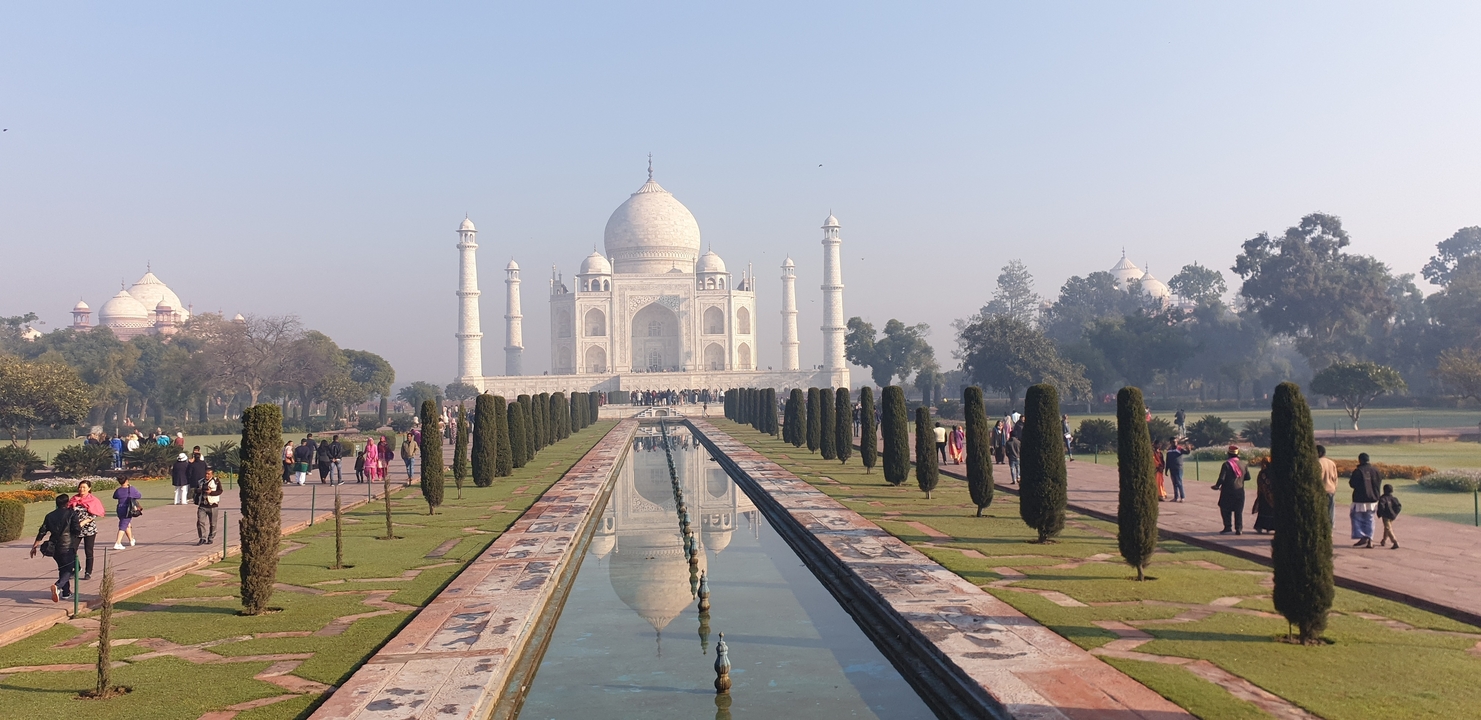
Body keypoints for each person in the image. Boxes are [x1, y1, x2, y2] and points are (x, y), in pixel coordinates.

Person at [31, 494, 83, 602]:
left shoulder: (50, 516)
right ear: (67, 503)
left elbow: (42, 531)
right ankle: (58, 586)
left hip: (54, 547)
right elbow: (77, 530)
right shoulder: (72, 514)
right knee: (71, 568)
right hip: (68, 546)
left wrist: (35, 546)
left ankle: (66, 592)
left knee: (62, 568)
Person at [66, 480, 104, 580]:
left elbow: (94, 514)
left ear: (89, 489)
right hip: (76, 529)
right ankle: (75, 568)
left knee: (89, 550)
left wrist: (83, 522)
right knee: (71, 549)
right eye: (80, 487)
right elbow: (68, 511)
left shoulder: (93, 500)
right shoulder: (74, 499)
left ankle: (88, 572)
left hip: (89, 529)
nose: (81, 489)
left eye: (84, 487)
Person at [1349, 452, 1382, 548]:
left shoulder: (1358, 471)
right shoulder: (1376, 470)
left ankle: (1363, 536)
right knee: (1370, 519)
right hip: (1373, 499)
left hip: (1360, 499)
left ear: (1360, 460)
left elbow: (1352, 484)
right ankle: (1369, 539)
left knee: (1357, 518)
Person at [1211, 445, 1246, 535]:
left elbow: (1222, 478)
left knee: (1225, 508)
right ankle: (1239, 529)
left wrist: (1217, 486)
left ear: (1228, 454)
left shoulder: (1226, 464)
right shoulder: (1243, 464)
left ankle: (1228, 527)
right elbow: (1248, 477)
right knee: (1238, 511)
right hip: (1240, 491)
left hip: (1228, 491)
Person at [195, 468, 223, 545]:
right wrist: (200, 490)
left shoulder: (216, 481)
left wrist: (211, 492)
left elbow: (220, 491)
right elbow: (195, 490)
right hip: (202, 505)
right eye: (206, 474)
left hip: (213, 505)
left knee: (213, 524)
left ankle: (211, 538)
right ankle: (202, 538)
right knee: (200, 522)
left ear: (212, 474)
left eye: (208, 474)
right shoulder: (200, 481)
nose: (206, 475)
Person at [113, 477, 141, 549]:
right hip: (128, 509)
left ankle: (131, 540)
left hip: (120, 508)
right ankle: (118, 542)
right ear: (127, 481)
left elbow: (115, 496)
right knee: (123, 526)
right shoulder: (131, 489)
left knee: (126, 524)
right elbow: (139, 495)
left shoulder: (118, 490)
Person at [1251, 458, 1276, 534]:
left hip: (1264, 496)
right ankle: (1271, 527)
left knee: (1263, 512)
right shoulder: (1274, 472)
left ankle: (1261, 526)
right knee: (1272, 512)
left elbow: (1260, 484)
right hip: (1273, 497)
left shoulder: (1263, 473)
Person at [1317, 445, 1338, 527]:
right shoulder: (1331, 463)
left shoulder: (1318, 462)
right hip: (1331, 490)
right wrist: (1334, 488)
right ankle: (1330, 529)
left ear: (1319, 453)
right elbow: (1335, 478)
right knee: (1330, 511)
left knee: (1320, 511)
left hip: (1321, 490)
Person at [1377, 484, 1401, 549]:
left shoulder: (1383, 498)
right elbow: (1398, 506)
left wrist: (1381, 513)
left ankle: (1395, 541)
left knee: (1388, 528)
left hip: (1386, 516)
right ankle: (1384, 540)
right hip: (1392, 516)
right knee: (1387, 527)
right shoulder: (1394, 498)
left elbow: (1381, 507)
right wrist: (1395, 513)